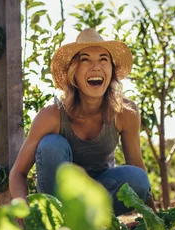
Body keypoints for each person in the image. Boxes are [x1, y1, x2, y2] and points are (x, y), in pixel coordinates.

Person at [9, 28, 156, 217]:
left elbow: (137, 166)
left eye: (103, 59)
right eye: (85, 60)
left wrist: (156, 221)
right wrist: (23, 211)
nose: (96, 67)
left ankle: (95, 223)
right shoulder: (52, 115)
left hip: (102, 194)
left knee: (138, 178)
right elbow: (17, 173)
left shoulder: (125, 112)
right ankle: (59, 225)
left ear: (111, 71)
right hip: (60, 200)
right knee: (51, 145)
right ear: (73, 72)